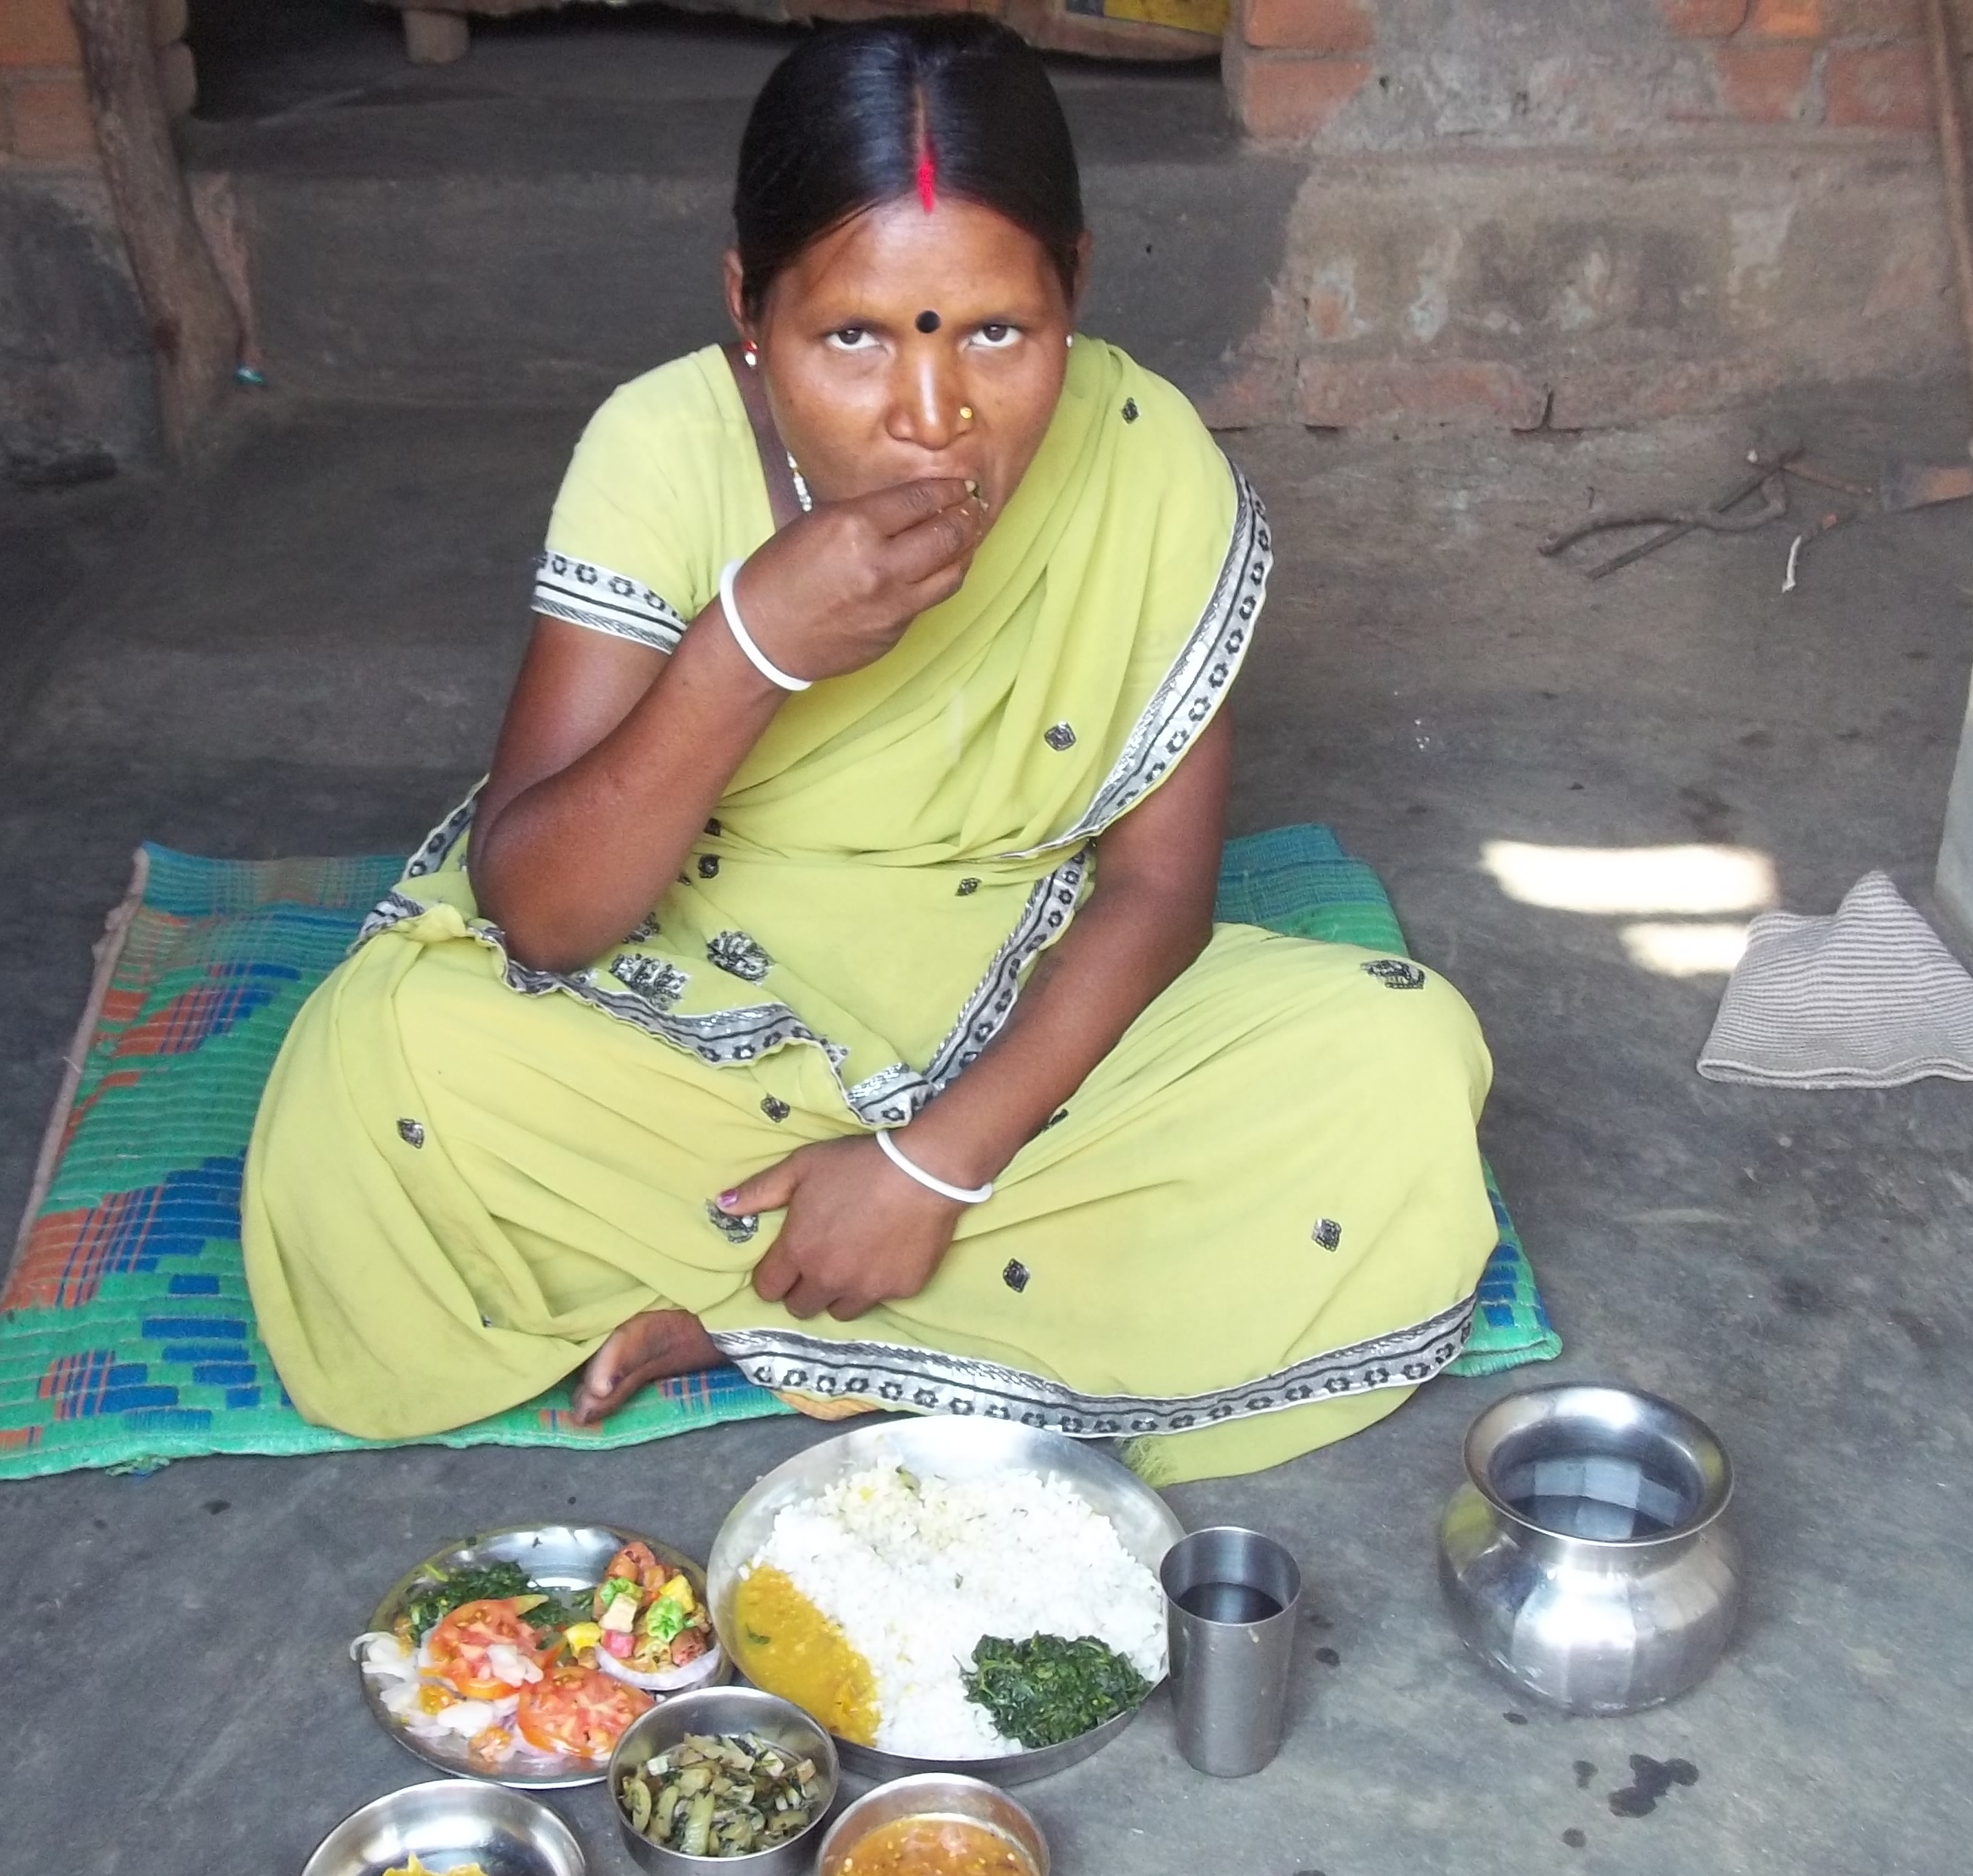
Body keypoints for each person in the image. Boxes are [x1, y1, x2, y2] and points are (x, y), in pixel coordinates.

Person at [242, 15, 1496, 1486]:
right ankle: (889, 1302)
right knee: (377, 1073)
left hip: (1006, 986)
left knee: (1393, 1053)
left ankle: (751, 1310)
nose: (929, 415)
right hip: (672, 1000)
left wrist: (931, 1161)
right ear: (746, 312)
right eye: (850, 338)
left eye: (996, 334)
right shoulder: (661, 449)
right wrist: (747, 650)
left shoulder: (1147, 460)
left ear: (1072, 291)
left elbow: (1157, 890)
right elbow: (546, 912)